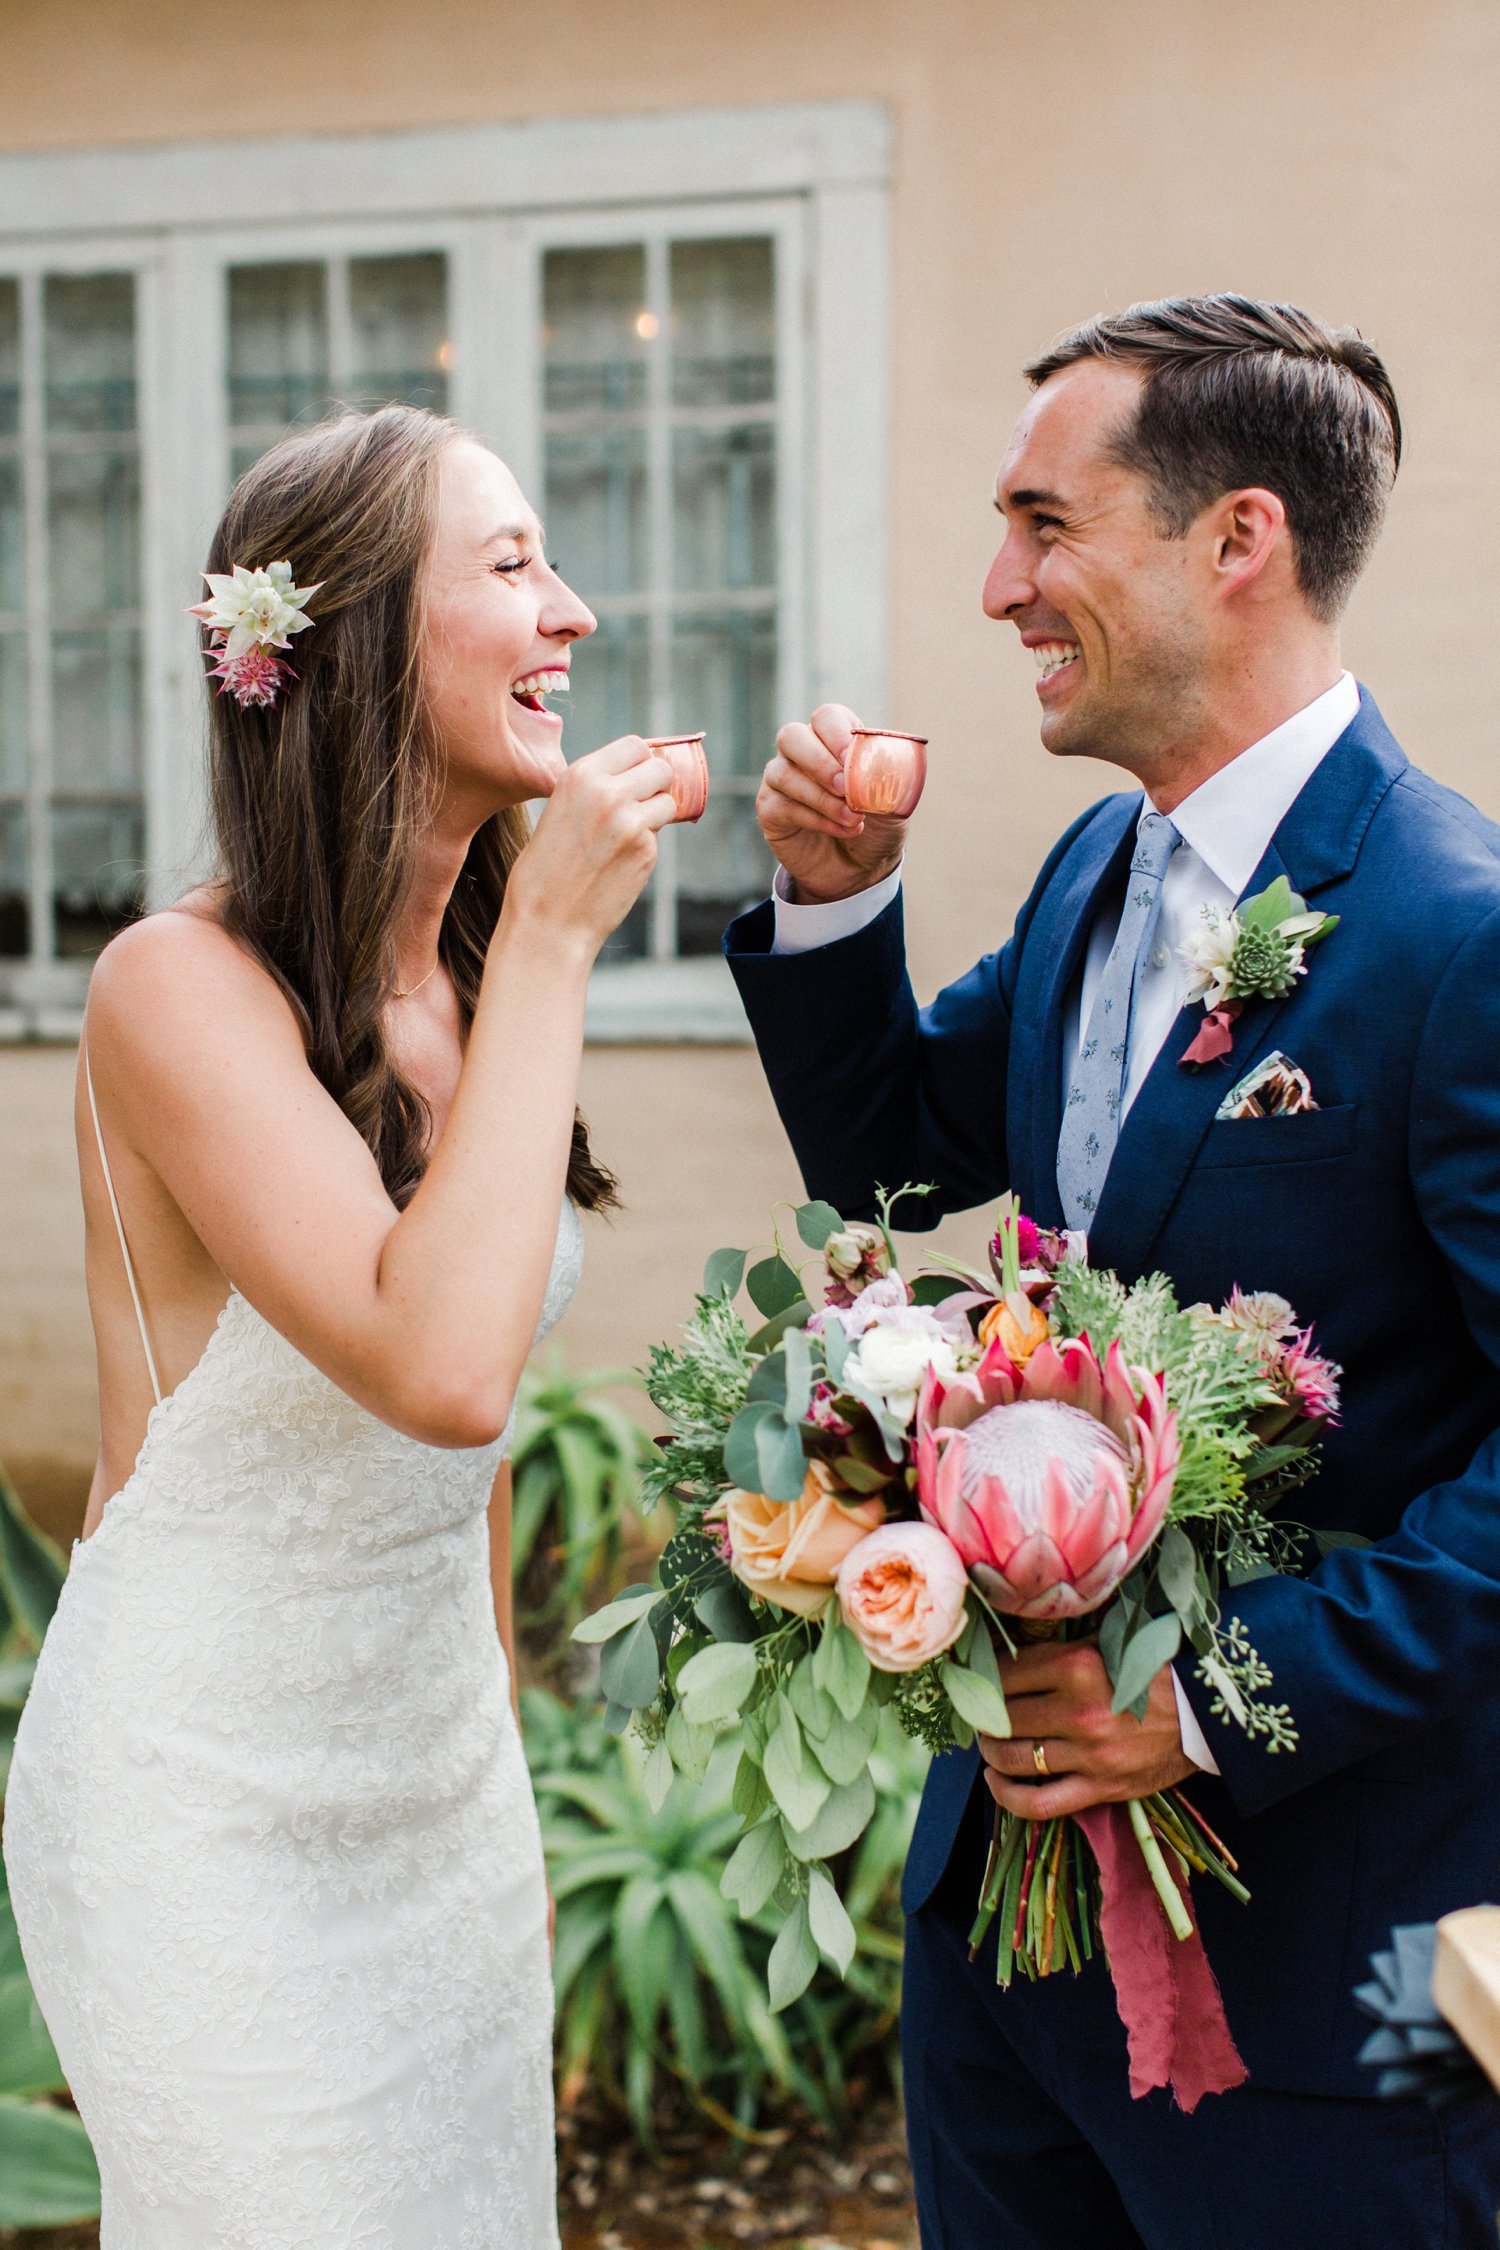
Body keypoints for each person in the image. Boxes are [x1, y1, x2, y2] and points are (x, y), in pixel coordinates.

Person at [725, 297, 1500, 2245]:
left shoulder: (1452, 930)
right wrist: (839, 912)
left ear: (1237, 540)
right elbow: (904, 1159)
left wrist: (1218, 1698)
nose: (1000, 587)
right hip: (1006, 1938)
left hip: (1321, 1956)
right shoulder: (1095, 870)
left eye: (1044, 524)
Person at [2, 405, 676, 2248]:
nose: (579, 613)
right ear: (364, 632)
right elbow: (441, 1369)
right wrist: (551, 936)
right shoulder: (172, 987)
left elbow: (450, 1476)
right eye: (517, 564)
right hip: (194, 1809)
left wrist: (498, 1802)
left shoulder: (472, 995)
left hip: (432, 1804)